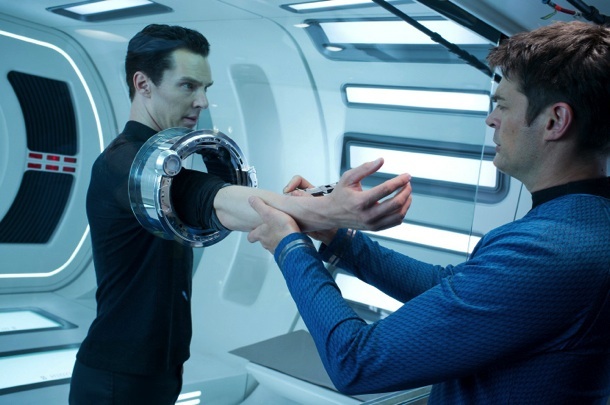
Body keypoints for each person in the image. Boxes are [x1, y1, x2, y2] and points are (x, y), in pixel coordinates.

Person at [247, 20, 610, 404]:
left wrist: (289, 246)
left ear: (555, 121)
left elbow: (356, 361)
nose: (491, 119)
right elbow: (452, 288)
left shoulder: (555, 249)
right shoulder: (578, 223)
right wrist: (338, 237)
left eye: (503, 104)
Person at [68, 24, 411, 404]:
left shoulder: (167, 165)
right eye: (188, 86)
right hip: (115, 377)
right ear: (143, 84)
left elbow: (220, 197)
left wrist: (313, 203)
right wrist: (330, 211)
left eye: (206, 88)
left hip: (164, 368)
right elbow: (215, 200)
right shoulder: (121, 163)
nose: (202, 101)